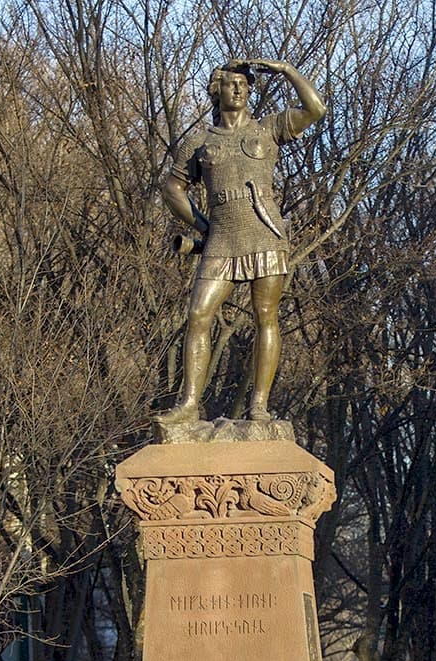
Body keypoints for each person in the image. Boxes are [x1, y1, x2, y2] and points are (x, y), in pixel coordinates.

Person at [159, 60, 325, 425]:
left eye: (243, 84)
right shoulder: (199, 141)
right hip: (222, 236)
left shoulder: (268, 129)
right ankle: (188, 403)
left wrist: (286, 70)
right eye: (230, 83)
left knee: (266, 317)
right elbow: (172, 188)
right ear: (216, 90)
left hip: (264, 233)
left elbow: (315, 108)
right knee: (198, 315)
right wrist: (202, 225)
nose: (238, 89)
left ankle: (259, 406)